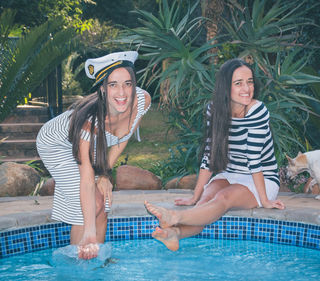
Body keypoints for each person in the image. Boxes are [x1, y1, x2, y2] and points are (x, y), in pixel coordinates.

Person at [145, 58, 285, 251]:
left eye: (250, 81)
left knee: (223, 199)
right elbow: (210, 155)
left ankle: (175, 218)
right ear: (225, 87)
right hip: (230, 174)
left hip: (262, 179)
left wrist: (265, 200)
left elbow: (254, 159)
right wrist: (195, 196)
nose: (247, 88)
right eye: (239, 83)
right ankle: (175, 234)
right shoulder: (214, 109)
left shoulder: (257, 111)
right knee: (205, 201)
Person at [37, 51, 151, 259]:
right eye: (113, 85)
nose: (122, 93)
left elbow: (123, 137)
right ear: (102, 90)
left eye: (127, 83)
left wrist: (105, 174)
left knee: (103, 202)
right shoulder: (90, 122)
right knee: (90, 205)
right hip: (55, 144)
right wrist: (89, 230)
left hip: (89, 145)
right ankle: (76, 264)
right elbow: (87, 178)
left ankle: (96, 259)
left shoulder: (142, 100)